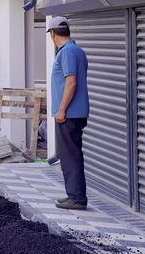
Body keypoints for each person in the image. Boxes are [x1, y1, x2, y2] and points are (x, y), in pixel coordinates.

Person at [47, 16, 89, 210]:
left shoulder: (67, 52)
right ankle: (74, 194)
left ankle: (77, 198)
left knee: (70, 155)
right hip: (75, 113)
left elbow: (71, 83)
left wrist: (61, 110)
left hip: (69, 113)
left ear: (53, 34)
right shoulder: (77, 50)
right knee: (70, 154)